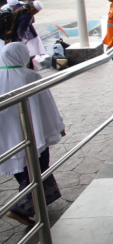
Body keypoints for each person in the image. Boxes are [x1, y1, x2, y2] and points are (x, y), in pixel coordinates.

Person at [0, 42, 66, 225]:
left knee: (22, 169)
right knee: (37, 166)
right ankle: (20, 208)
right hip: (31, 133)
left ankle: (37, 202)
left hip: (7, 136)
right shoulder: (29, 76)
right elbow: (47, 105)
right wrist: (58, 125)